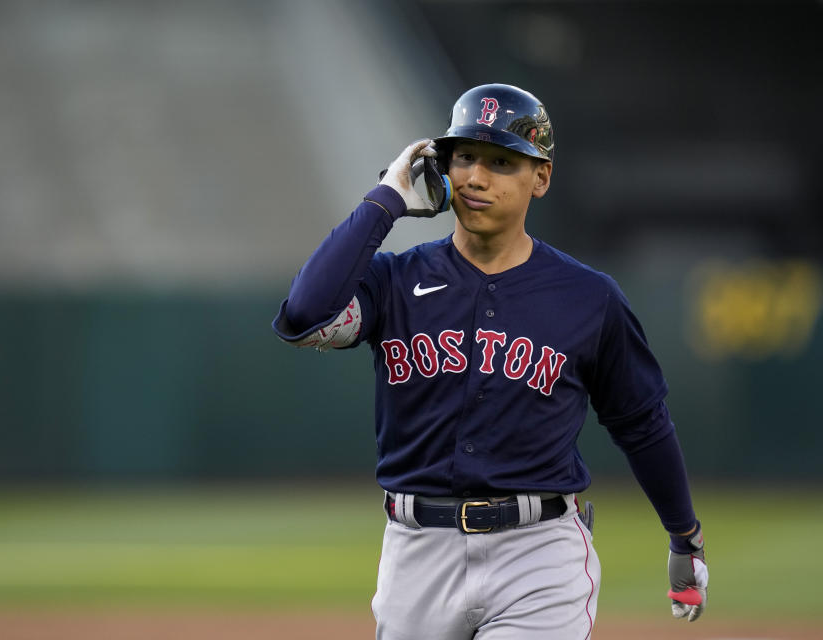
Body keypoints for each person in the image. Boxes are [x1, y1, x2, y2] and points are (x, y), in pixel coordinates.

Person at [272, 83, 708, 640]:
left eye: (502, 162)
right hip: (416, 552)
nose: (476, 178)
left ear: (541, 178)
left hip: (538, 553)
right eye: (465, 157)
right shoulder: (394, 281)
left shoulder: (589, 298)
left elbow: (642, 424)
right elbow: (302, 316)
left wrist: (684, 536)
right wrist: (386, 200)